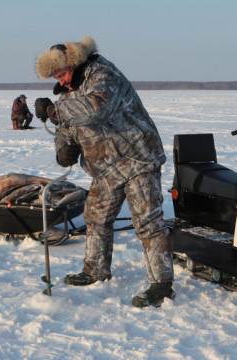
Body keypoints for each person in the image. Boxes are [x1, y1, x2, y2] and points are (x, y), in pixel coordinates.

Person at [34, 36, 174, 307]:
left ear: (73, 63)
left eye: (61, 73)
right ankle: (95, 270)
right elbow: (67, 128)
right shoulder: (66, 91)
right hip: (106, 165)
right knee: (95, 217)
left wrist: (54, 110)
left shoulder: (101, 72)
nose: (60, 80)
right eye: (55, 76)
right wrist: (63, 147)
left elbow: (97, 108)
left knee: (148, 221)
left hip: (137, 157)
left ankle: (161, 284)